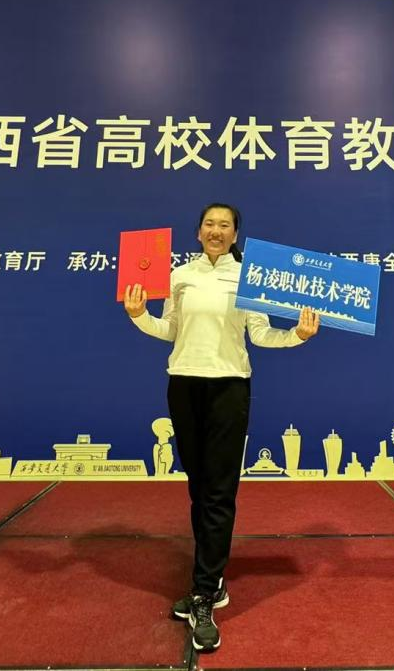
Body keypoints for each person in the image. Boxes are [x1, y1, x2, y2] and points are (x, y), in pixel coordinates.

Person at [124, 202, 319, 653]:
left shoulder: (249, 277)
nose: (216, 230)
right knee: (198, 486)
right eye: (209, 224)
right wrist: (138, 315)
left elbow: (261, 335)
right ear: (198, 232)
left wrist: (298, 335)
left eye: (224, 225)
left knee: (218, 491)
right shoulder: (179, 276)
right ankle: (210, 578)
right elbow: (171, 330)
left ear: (235, 235)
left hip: (229, 387)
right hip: (183, 385)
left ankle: (205, 592)